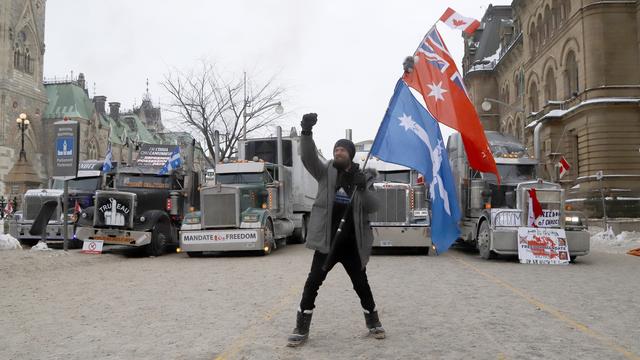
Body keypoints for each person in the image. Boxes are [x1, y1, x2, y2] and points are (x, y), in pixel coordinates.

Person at [287, 113, 385, 347]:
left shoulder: (363, 178)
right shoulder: (325, 173)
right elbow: (309, 158)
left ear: (350, 154)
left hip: (351, 244)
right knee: (312, 283)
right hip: (327, 242)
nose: (337, 152)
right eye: (335, 149)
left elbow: (374, 207)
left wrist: (362, 188)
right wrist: (306, 133)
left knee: (361, 285)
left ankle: (374, 322)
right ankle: (301, 328)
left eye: (342, 150)